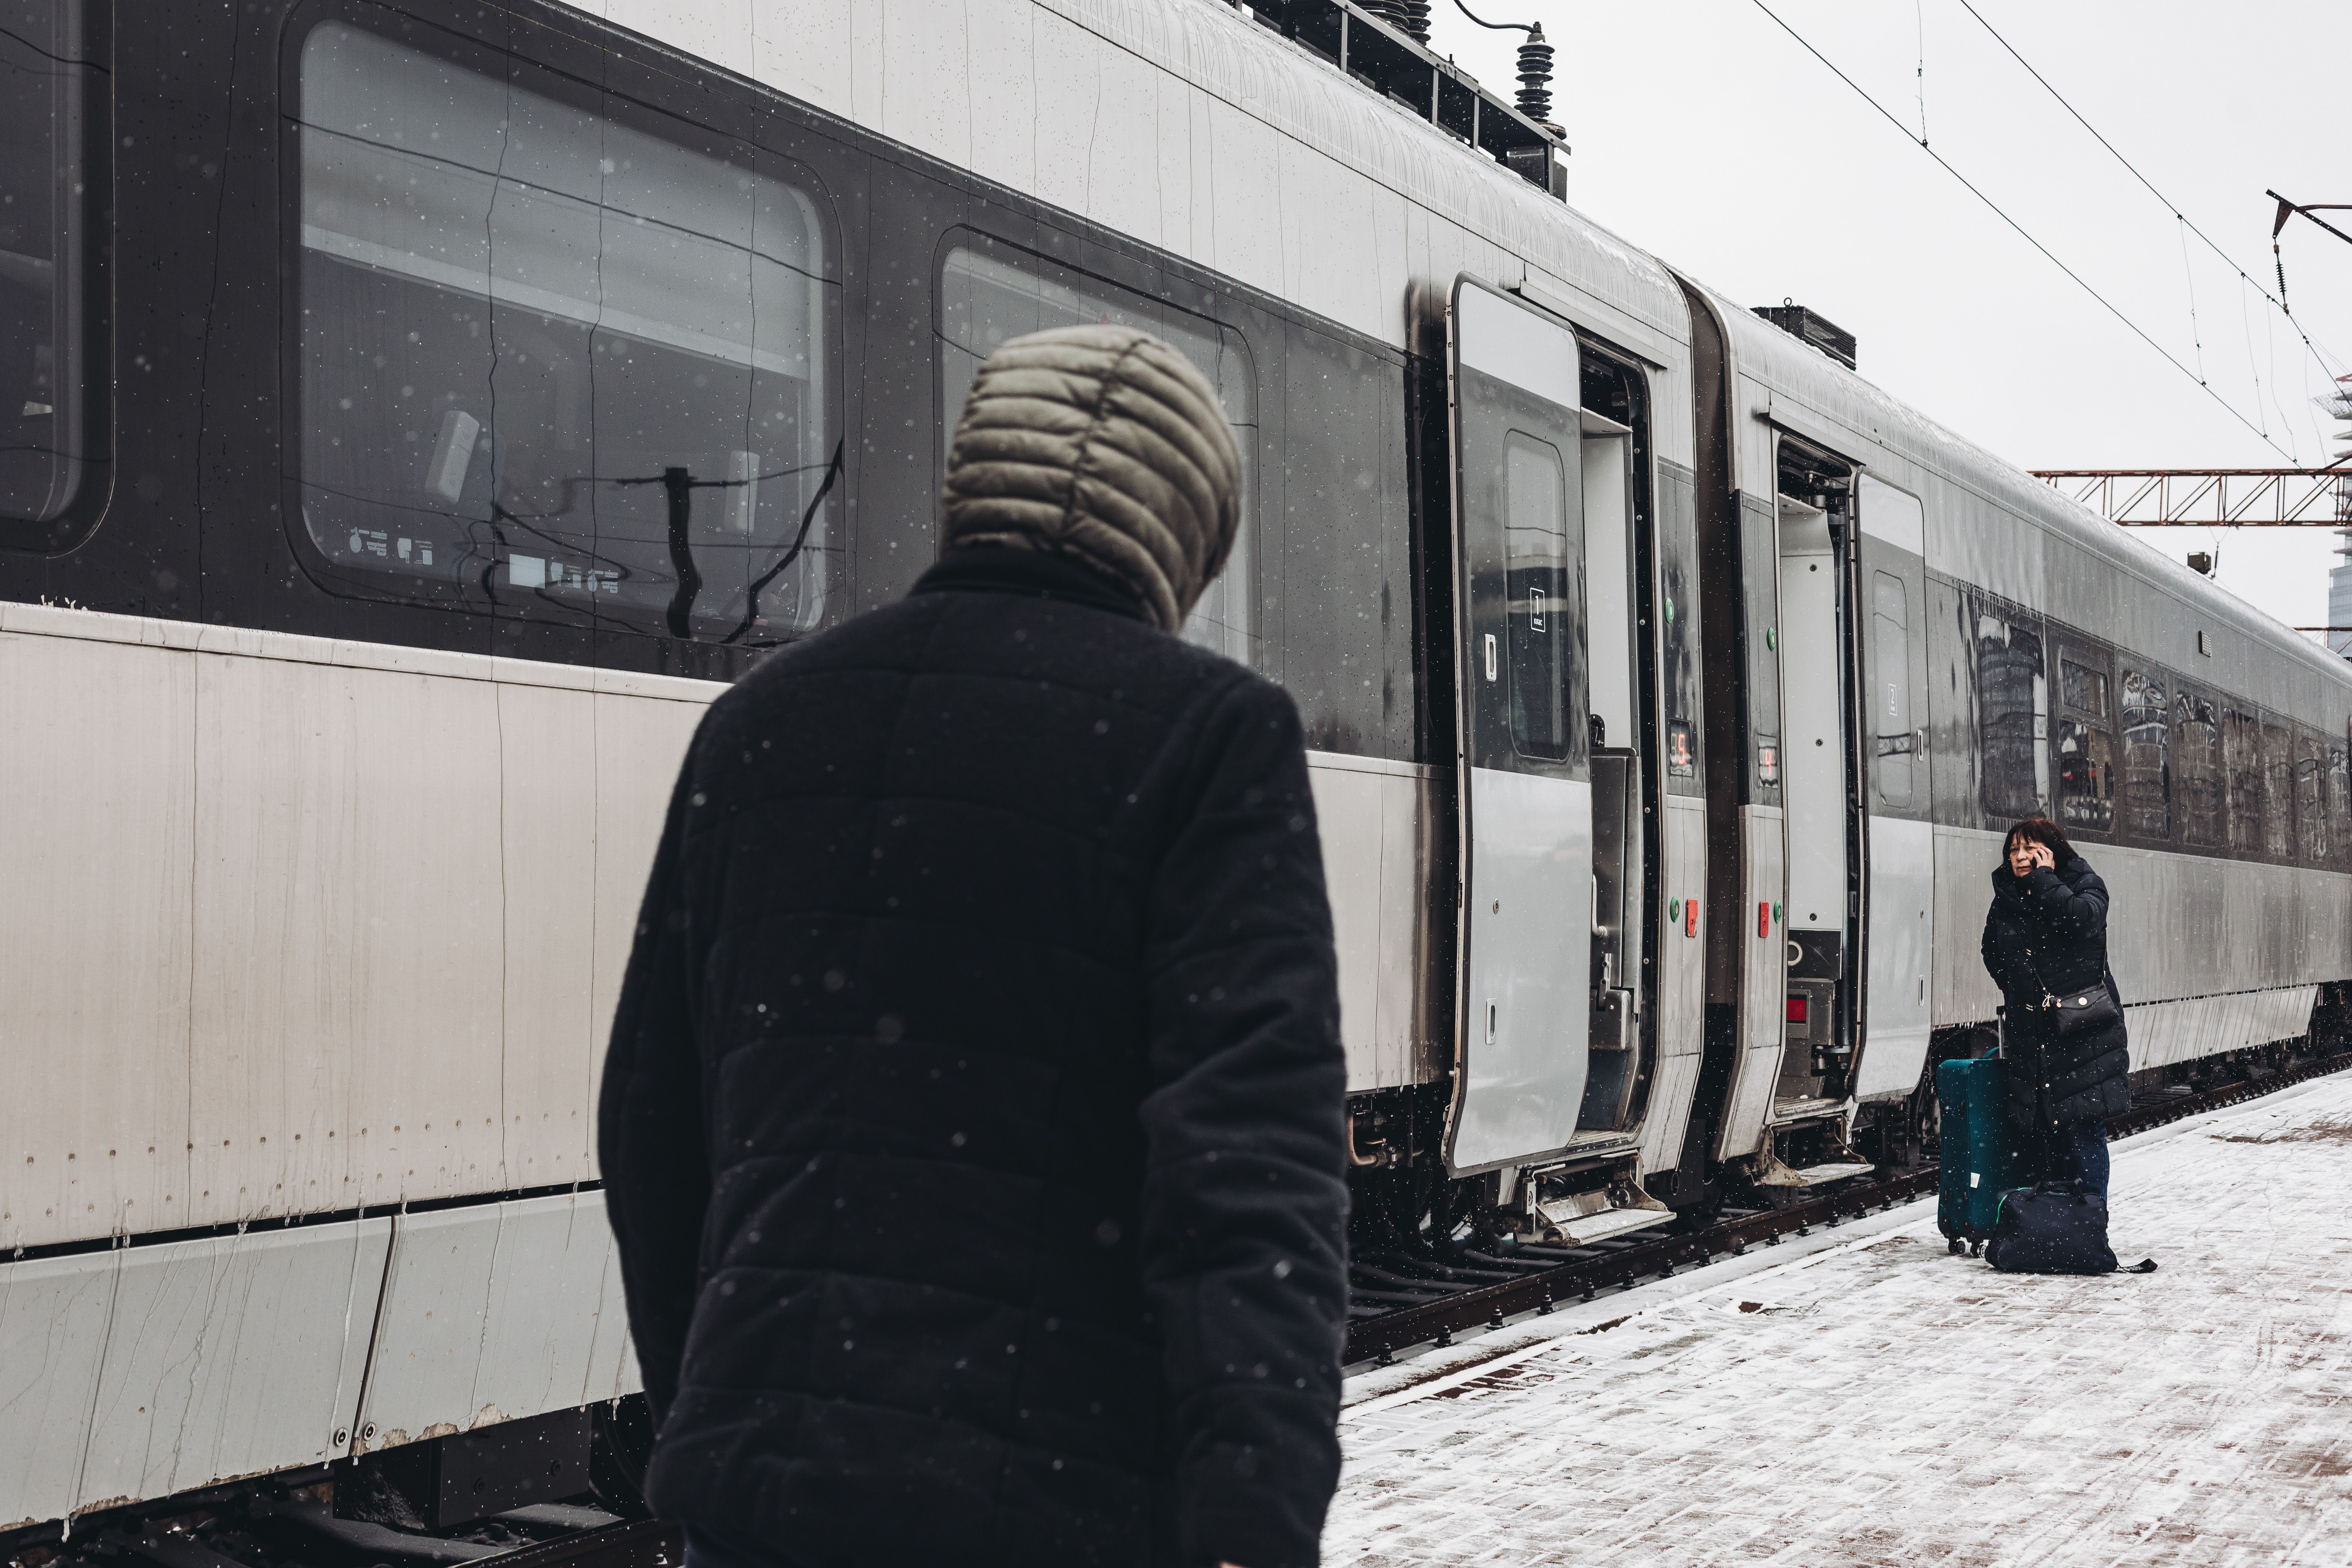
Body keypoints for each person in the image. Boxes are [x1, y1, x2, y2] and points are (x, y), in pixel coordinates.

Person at [598, 323, 1350, 1568]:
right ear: (1182, 537)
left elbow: (651, 1132)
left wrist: (724, 1407)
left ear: (973, 484)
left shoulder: (758, 725)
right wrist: (1249, 1524)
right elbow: (1249, 1179)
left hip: (766, 1511)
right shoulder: (1209, 737)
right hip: (1056, 1510)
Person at [1979, 815, 2130, 1197]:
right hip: (2035, 1038)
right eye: (2013, 849)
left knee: (2082, 1133)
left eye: (2030, 847)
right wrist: (2023, 996)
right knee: (2046, 1138)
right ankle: (2056, 1231)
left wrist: (2045, 881)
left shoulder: (2084, 883)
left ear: (2052, 851)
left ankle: (2092, 1226)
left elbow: (2084, 921)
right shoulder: (2007, 900)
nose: (2020, 856)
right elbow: (1993, 953)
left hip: (2082, 1034)